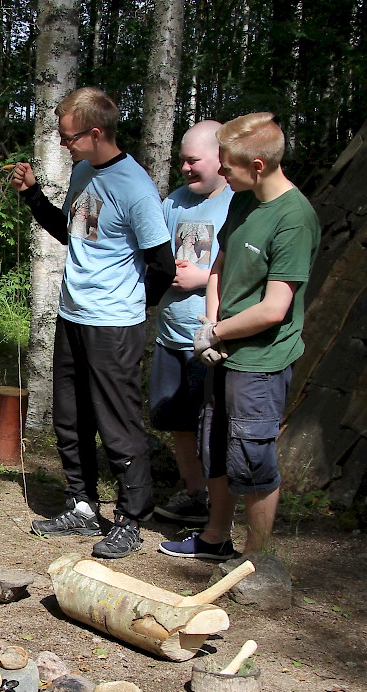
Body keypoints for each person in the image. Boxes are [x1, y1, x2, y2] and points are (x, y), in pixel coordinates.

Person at [11, 87, 175, 559]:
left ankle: (131, 517)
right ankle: (83, 507)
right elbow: (72, 232)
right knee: (71, 417)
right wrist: (33, 196)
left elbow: (162, 264)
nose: (64, 146)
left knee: (119, 424)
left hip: (114, 325)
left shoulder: (135, 187)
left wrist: (129, 309)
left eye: (69, 138)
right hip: (73, 315)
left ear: (96, 133)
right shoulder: (85, 171)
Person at [159, 112, 319, 568]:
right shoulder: (244, 201)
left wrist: (217, 331)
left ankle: (257, 561)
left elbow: (274, 309)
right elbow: (219, 266)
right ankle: (215, 538)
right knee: (216, 445)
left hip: (260, 360)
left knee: (252, 457)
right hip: (222, 351)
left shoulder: (294, 219)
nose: (222, 174)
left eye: (228, 166)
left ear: (261, 165)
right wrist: (208, 324)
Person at [150, 121, 234, 526]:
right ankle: (194, 494)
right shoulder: (174, 204)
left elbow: (252, 270)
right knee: (178, 421)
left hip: (210, 339)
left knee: (211, 426)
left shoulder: (237, 204)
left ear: (221, 159)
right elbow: (156, 253)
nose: (184, 168)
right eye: (182, 160)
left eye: (193, 160)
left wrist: (203, 280)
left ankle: (222, 506)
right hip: (170, 335)